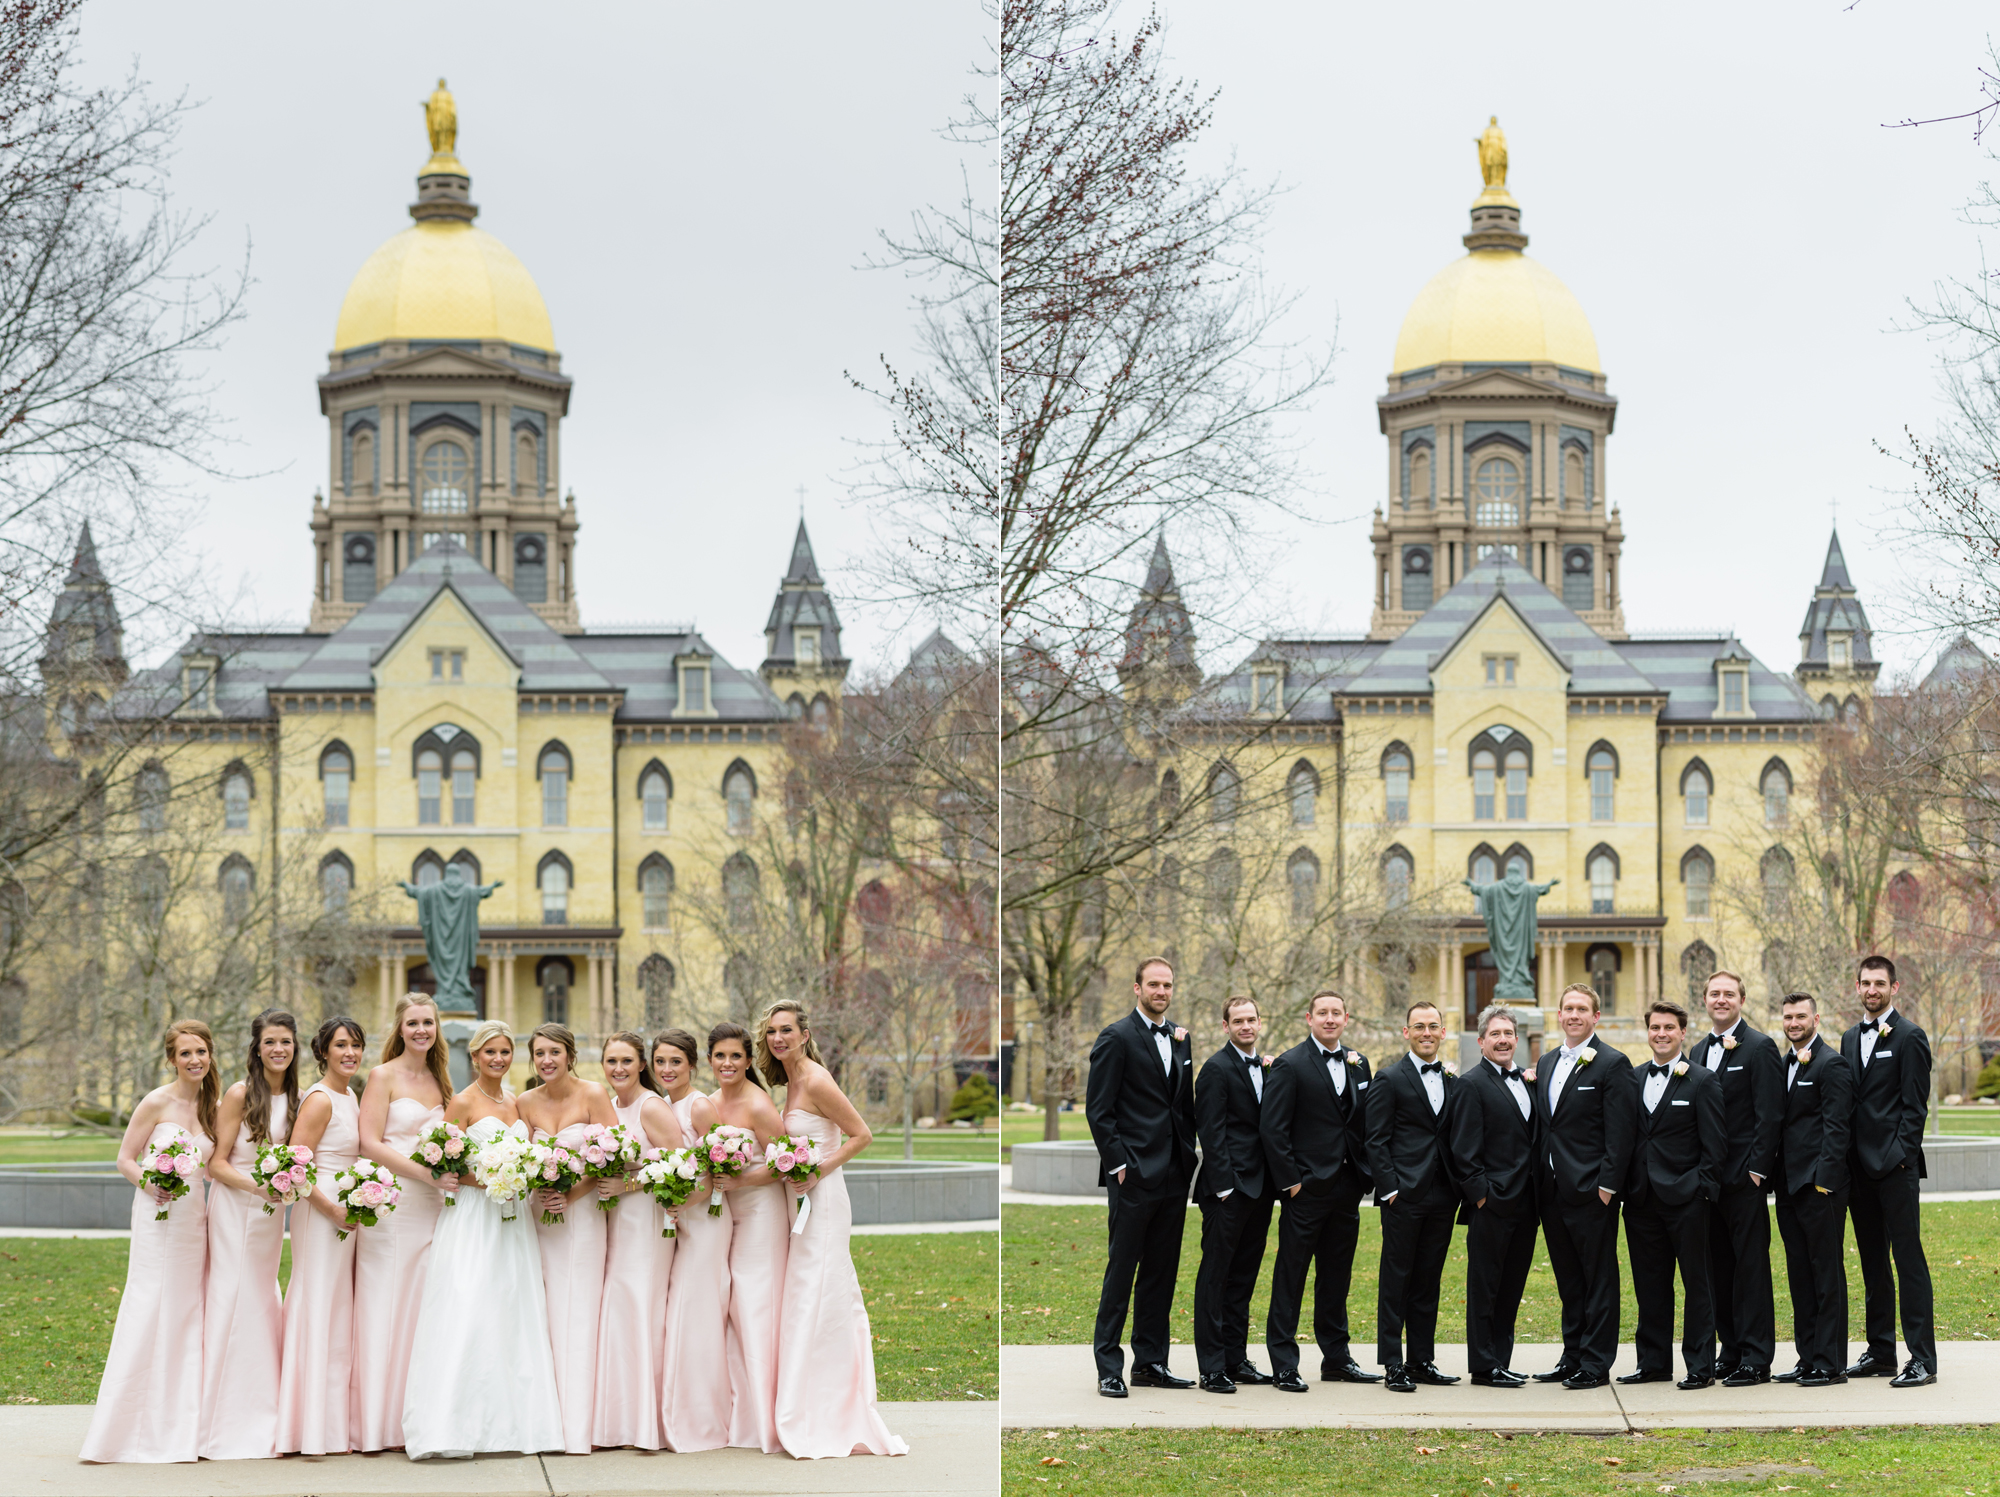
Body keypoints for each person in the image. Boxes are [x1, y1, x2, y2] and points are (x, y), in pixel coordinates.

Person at [403, 1020, 563, 1458]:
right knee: (469, 1303)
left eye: (505, 1052)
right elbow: (445, 1166)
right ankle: (453, 1426)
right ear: (474, 1057)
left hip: (513, 1219)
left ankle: (514, 1424)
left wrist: (520, 1176)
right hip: (474, 1216)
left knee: (511, 1307)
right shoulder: (461, 1102)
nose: (497, 1059)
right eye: (489, 1052)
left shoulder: (515, 1103)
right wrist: (492, 1177)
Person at [762, 998, 909, 1458]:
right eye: (771, 1032)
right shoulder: (790, 1080)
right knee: (809, 1296)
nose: (778, 1038)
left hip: (822, 1203)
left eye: (786, 1030)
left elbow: (862, 1134)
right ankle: (807, 1400)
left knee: (819, 1295)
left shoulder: (817, 1079)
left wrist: (818, 1170)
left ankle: (827, 1411)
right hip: (799, 1201)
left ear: (805, 1035)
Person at [79, 1020, 217, 1464]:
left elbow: (214, 1168)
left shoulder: (214, 1107)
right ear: (171, 1059)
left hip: (194, 1216)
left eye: (201, 1052)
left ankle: (178, 1418)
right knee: (149, 1303)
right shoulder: (156, 1101)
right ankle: (123, 1426)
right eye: (186, 1053)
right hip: (158, 1213)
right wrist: (150, 1183)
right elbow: (124, 1159)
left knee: (185, 1308)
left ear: (210, 1055)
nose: (195, 1060)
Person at [1084, 956, 1198, 1397]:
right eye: (1153, 984)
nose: (1161, 992)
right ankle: (1108, 1366)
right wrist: (1119, 1166)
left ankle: (1151, 1363)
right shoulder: (1116, 1036)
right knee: (1122, 1271)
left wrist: (1187, 1157)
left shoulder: (1181, 1038)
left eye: (1168, 985)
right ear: (1137, 988)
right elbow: (1099, 1110)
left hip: (1173, 1173)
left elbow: (1181, 1106)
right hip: (1132, 1176)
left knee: (1161, 1272)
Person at [1258, 988, 1379, 1394]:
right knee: (1290, 1276)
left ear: (1347, 1019)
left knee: (1336, 1276)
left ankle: (1337, 1359)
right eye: (1322, 1013)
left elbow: (1362, 1124)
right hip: (1305, 1190)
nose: (1330, 1019)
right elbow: (1272, 1130)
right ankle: (1284, 1363)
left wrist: (1363, 1173)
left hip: (1347, 1189)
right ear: (1309, 1018)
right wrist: (1292, 1182)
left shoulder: (1359, 1064)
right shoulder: (1290, 1065)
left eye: (1337, 1013)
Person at [352, 993, 456, 1451]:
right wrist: (423, 1173)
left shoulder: (442, 1080)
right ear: (400, 1028)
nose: (421, 1030)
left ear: (437, 1028)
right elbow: (369, 1142)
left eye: (428, 1023)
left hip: (435, 1208)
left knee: (422, 1309)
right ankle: (377, 1423)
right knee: (386, 1305)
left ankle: (416, 1414)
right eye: (413, 1022)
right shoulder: (382, 1075)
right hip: (393, 1204)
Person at [1607, 999, 1725, 1390]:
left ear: (1682, 1033)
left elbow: (1715, 1147)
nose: (1661, 1034)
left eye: (1669, 1028)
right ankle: (1653, 1362)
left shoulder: (1703, 1080)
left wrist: (1701, 1193)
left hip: (1687, 1201)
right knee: (1650, 1285)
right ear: (1648, 1032)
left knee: (1697, 1284)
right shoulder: (1632, 1077)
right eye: (1655, 1028)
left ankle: (1700, 1366)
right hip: (1640, 1201)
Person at [198, 1009, 297, 1461]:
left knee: (260, 1297)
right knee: (232, 1295)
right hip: (236, 1207)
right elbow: (215, 1163)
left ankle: (263, 1406)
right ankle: (218, 1416)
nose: (279, 1049)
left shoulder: (297, 1098)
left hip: (271, 1216)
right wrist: (258, 1185)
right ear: (257, 1048)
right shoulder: (240, 1093)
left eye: (286, 1042)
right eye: (271, 1042)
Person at [517, 1022, 618, 1455]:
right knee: (544, 1310)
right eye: (539, 1053)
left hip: (582, 1217)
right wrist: (540, 1189)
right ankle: (543, 1420)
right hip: (540, 1218)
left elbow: (614, 1155)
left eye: (554, 1052)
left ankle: (577, 1427)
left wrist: (570, 1194)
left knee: (578, 1312)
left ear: (570, 1055)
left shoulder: (593, 1094)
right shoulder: (523, 1102)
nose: (546, 1060)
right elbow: (518, 1158)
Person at [1840, 954, 1937, 1387]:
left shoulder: (1911, 1037)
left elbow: (1915, 1108)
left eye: (1880, 983)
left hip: (1895, 1168)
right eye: (1865, 983)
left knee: (1908, 1260)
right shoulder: (1846, 1038)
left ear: (1894, 988)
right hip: (1857, 1171)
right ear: (1857, 988)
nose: (1872, 990)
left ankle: (1923, 1359)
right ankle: (1880, 1352)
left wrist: (1899, 1156)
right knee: (1873, 1263)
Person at [1533, 982, 1634, 1390]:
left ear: (1596, 1016)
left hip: (1593, 1191)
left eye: (1581, 1009)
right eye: (1567, 1008)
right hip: (1552, 1191)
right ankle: (1571, 1354)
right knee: (1568, 1280)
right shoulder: (1545, 1063)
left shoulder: (1613, 1063)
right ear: (1559, 1016)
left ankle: (1595, 1362)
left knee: (1598, 1279)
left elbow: (1621, 1132)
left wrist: (1608, 1185)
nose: (1573, 1015)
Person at [275, 1016, 367, 1456]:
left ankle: (330, 1423)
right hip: (322, 1211)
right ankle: (305, 1426)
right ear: (323, 1052)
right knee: (316, 1304)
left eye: (356, 1046)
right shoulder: (319, 1099)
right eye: (341, 1045)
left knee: (336, 1310)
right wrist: (330, 1208)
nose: (350, 1053)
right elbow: (293, 1167)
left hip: (348, 1213)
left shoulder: (351, 1095)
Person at [1689, 969, 1783, 1386]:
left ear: (1741, 1000)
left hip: (1745, 1179)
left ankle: (1756, 1357)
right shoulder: (1693, 1050)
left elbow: (1770, 1115)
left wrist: (1757, 1171)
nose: (1721, 999)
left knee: (1750, 1269)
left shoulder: (1761, 1047)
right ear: (1704, 1000)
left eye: (1729, 993)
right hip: (1706, 1182)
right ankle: (1730, 1350)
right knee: (1717, 1270)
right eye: (1714, 993)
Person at [1365, 1000, 1462, 1394]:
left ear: (1442, 1032)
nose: (1426, 1032)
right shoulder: (1389, 1078)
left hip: (1443, 1196)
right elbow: (1375, 1139)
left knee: (1428, 1280)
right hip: (1403, 1196)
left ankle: (1421, 1359)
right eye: (1419, 1026)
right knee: (1396, 1279)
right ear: (1406, 1032)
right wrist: (1390, 1189)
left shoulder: (1453, 1079)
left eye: (1433, 1026)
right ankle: (1393, 1362)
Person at [591, 1030, 682, 1451]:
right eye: (612, 1061)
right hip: (613, 1222)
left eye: (627, 1061)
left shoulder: (652, 1106)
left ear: (642, 1064)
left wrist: (625, 1188)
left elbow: (678, 1168)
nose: (619, 1069)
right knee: (619, 1308)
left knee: (642, 1307)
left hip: (646, 1221)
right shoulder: (608, 1107)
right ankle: (619, 1419)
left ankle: (647, 1423)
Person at [1448, 1005, 1538, 1388]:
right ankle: (1483, 1365)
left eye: (1508, 1034)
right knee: (1484, 1287)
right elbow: (1463, 1150)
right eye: (1495, 1034)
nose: (1503, 1040)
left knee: (1511, 1287)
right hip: (1492, 1205)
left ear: (1517, 1040)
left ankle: (1501, 1359)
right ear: (1482, 1040)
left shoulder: (1526, 1080)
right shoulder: (1471, 1084)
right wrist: (1482, 1196)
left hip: (1527, 1205)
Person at [1191, 995, 1276, 1394]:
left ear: (1260, 1024)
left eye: (1251, 1020)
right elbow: (1211, 1131)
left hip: (1261, 1190)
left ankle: (1235, 1359)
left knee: (1243, 1278)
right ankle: (1211, 1367)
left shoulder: (1268, 1067)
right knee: (1215, 1278)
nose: (1246, 1026)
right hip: (1228, 1190)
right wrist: (1224, 1186)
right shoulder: (1215, 1069)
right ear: (1225, 1026)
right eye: (1238, 1021)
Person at [712, 1020, 789, 1453]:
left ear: (747, 1061)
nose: (727, 1063)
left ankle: (765, 1418)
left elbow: (784, 1164)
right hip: (725, 1215)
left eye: (736, 1056)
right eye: (720, 1056)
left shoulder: (759, 1105)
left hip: (760, 1215)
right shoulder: (708, 1103)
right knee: (731, 1310)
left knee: (755, 1305)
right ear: (710, 1061)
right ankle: (737, 1412)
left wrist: (740, 1183)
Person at [1772, 993, 1855, 1388]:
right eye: (1788, 1016)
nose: (1793, 1022)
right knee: (1800, 1274)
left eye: (1800, 1016)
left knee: (1826, 1274)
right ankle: (1808, 1358)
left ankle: (1831, 1362)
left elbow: (1837, 1128)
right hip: (1788, 1187)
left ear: (1816, 1019)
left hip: (1820, 1187)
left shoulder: (1831, 1064)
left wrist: (1825, 1180)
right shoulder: (1785, 1062)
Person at [656, 1027, 732, 1453]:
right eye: (661, 1062)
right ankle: (681, 1409)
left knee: (696, 1312)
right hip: (680, 1220)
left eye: (675, 1062)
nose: (667, 1069)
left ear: (691, 1065)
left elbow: (721, 1173)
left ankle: (701, 1421)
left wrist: (685, 1201)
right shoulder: (666, 1105)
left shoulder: (699, 1106)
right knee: (683, 1313)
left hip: (705, 1221)